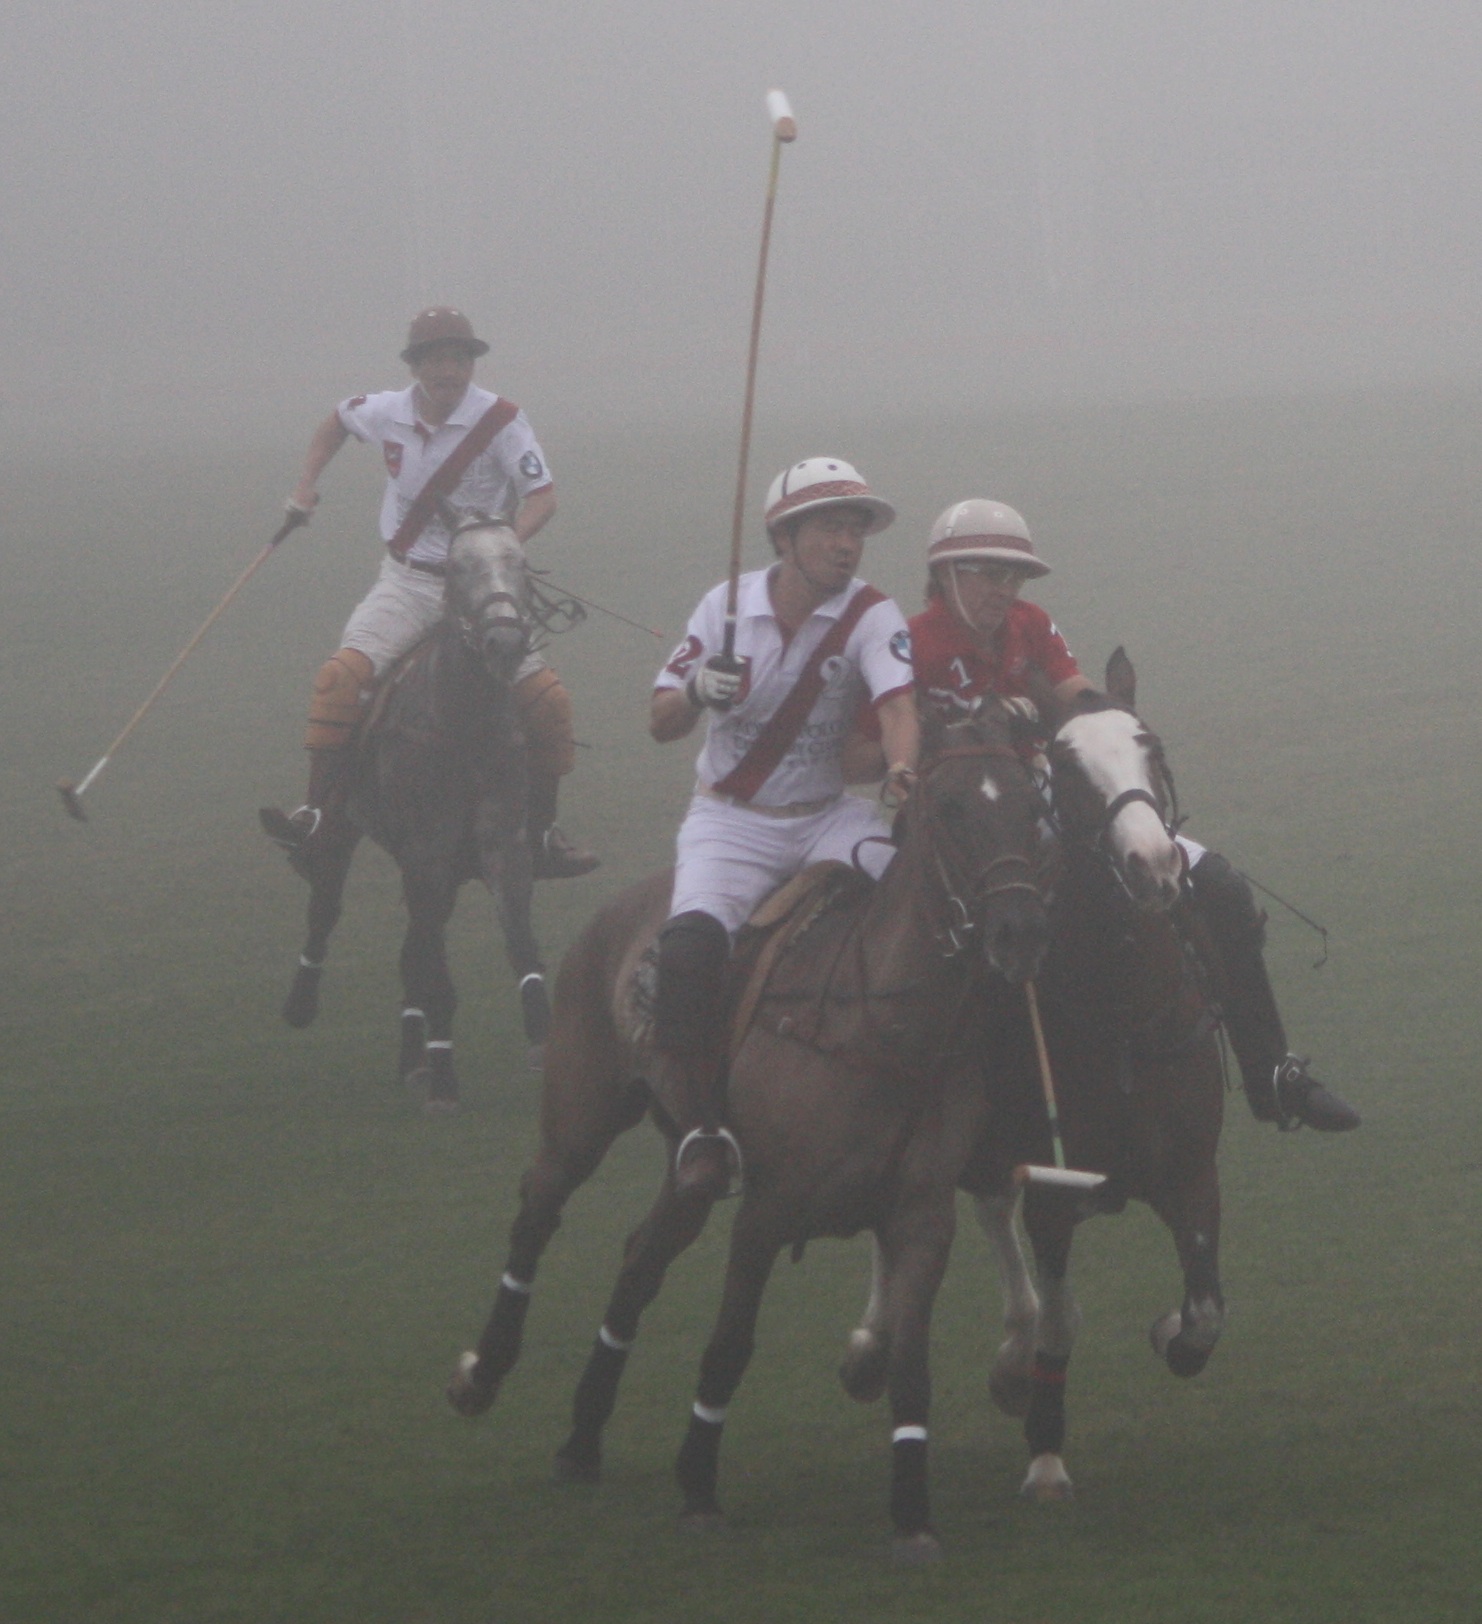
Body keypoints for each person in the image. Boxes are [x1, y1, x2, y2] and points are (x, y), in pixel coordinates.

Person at [860, 497, 1360, 1134]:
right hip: (967, 818)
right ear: (947, 573)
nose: (1001, 589)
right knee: (958, 932)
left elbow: (1075, 693)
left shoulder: (1030, 623)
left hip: (1045, 793)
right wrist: (963, 729)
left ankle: (1271, 1072)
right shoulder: (913, 642)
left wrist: (1100, 716)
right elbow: (877, 743)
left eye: (1011, 576)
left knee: (1220, 886)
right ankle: (942, 1103)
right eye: (986, 573)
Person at [649, 457, 920, 1198]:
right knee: (690, 949)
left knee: (922, 904)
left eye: (856, 528)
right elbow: (660, 720)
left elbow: (899, 706)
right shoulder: (723, 608)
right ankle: (701, 1130)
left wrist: (901, 771)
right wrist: (701, 688)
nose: (849, 542)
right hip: (731, 823)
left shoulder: (873, 615)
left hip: (828, 817)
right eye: (832, 526)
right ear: (787, 534)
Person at [260, 306, 597, 879]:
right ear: (416, 366)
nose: (449, 370)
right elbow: (337, 421)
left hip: (481, 593)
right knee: (341, 680)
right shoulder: (387, 411)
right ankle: (318, 813)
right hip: (410, 581)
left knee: (549, 703)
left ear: (472, 364)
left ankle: (542, 835)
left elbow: (543, 496)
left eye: (460, 358)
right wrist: (306, 484)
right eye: (437, 358)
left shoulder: (504, 421)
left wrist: (494, 553)